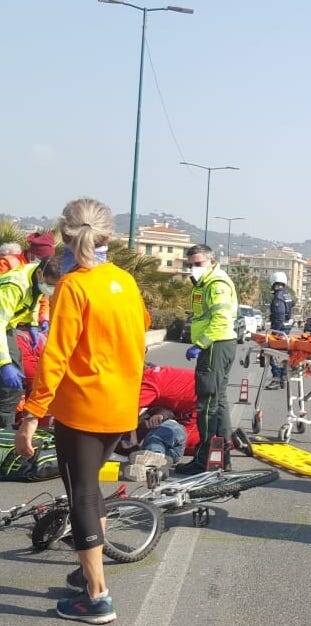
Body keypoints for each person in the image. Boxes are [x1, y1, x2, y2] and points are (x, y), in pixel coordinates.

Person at [16, 198, 148, 624]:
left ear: (64, 236)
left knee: (83, 498)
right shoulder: (124, 280)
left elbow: (54, 357)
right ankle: (86, 570)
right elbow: (140, 327)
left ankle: (97, 597)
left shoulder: (75, 285)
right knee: (91, 492)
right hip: (121, 408)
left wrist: (32, 414)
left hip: (83, 410)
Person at [176, 244, 238, 475]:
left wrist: (200, 344)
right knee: (218, 402)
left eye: (198, 264)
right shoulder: (206, 282)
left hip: (215, 345)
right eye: (190, 264)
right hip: (218, 344)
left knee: (207, 405)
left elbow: (221, 319)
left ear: (211, 261)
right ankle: (222, 457)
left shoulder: (216, 284)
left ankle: (204, 460)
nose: (194, 268)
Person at [0, 254, 61, 429]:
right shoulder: (14, 285)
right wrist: (4, 364)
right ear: (41, 273)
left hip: (7, 326)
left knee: (13, 384)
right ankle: (4, 432)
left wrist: (33, 324)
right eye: (50, 284)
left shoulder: (35, 278)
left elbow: (33, 301)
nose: (51, 289)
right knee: (9, 386)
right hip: (2, 325)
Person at [267, 271, 294, 389]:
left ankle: (276, 379)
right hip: (287, 328)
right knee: (283, 354)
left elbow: (279, 315)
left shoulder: (278, 297)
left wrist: (275, 332)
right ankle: (283, 377)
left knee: (274, 354)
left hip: (280, 329)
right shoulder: (287, 295)